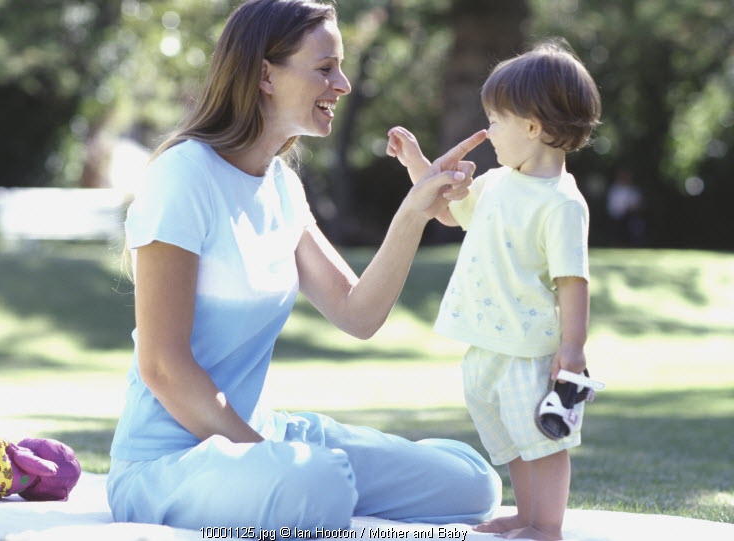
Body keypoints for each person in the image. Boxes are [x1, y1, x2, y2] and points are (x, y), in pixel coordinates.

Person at [106, 0, 501, 533]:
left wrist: (413, 214)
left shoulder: (281, 186)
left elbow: (357, 314)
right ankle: (312, 481)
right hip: (166, 464)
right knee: (317, 485)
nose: (342, 84)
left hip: (269, 440)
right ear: (265, 75)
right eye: (324, 68)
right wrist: (264, 457)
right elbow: (162, 367)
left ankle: (315, 480)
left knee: (473, 483)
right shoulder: (182, 177)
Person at [387, 40, 602, 540]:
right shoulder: (497, 183)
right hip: (486, 342)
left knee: (543, 443)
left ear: (533, 126)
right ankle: (526, 517)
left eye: (496, 120)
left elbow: (573, 280)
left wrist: (572, 349)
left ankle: (546, 526)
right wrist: (417, 165)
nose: (487, 132)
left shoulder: (562, 204)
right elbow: (444, 210)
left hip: (528, 350)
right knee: (512, 442)